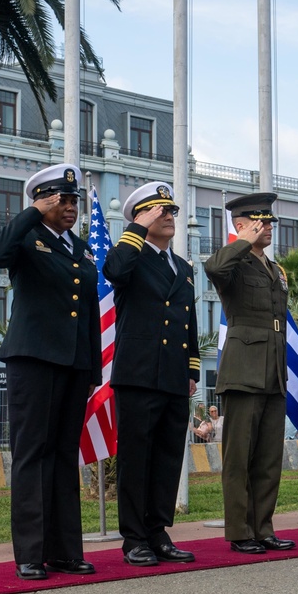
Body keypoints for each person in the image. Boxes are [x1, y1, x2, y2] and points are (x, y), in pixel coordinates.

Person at [0, 163, 100, 581]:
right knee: (32, 456)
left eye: (74, 201)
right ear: (42, 200)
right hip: (32, 361)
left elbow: (87, 311)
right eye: (61, 200)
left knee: (64, 456)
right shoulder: (27, 237)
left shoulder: (81, 249)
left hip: (73, 365)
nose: (70, 207)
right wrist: (32, 212)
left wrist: (92, 369)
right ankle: (30, 554)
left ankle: (66, 551)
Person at [104, 180, 200, 567]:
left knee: (166, 458)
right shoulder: (129, 255)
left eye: (172, 211)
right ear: (141, 216)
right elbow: (113, 271)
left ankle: (158, 531)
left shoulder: (183, 266)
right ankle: (134, 538)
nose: (169, 216)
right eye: (161, 211)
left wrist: (192, 366)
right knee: (136, 457)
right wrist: (137, 229)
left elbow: (187, 321)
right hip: (139, 372)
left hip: (175, 375)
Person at [205, 192, 295, 555]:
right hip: (243, 370)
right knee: (239, 458)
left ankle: (263, 528)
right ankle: (240, 531)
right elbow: (213, 268)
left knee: (269, 458)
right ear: (241, 225)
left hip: (273, 370)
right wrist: (242, 240)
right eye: (259, 222)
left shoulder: (274, 268)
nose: (268, 227)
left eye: (270, 221)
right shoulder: (234, 263)